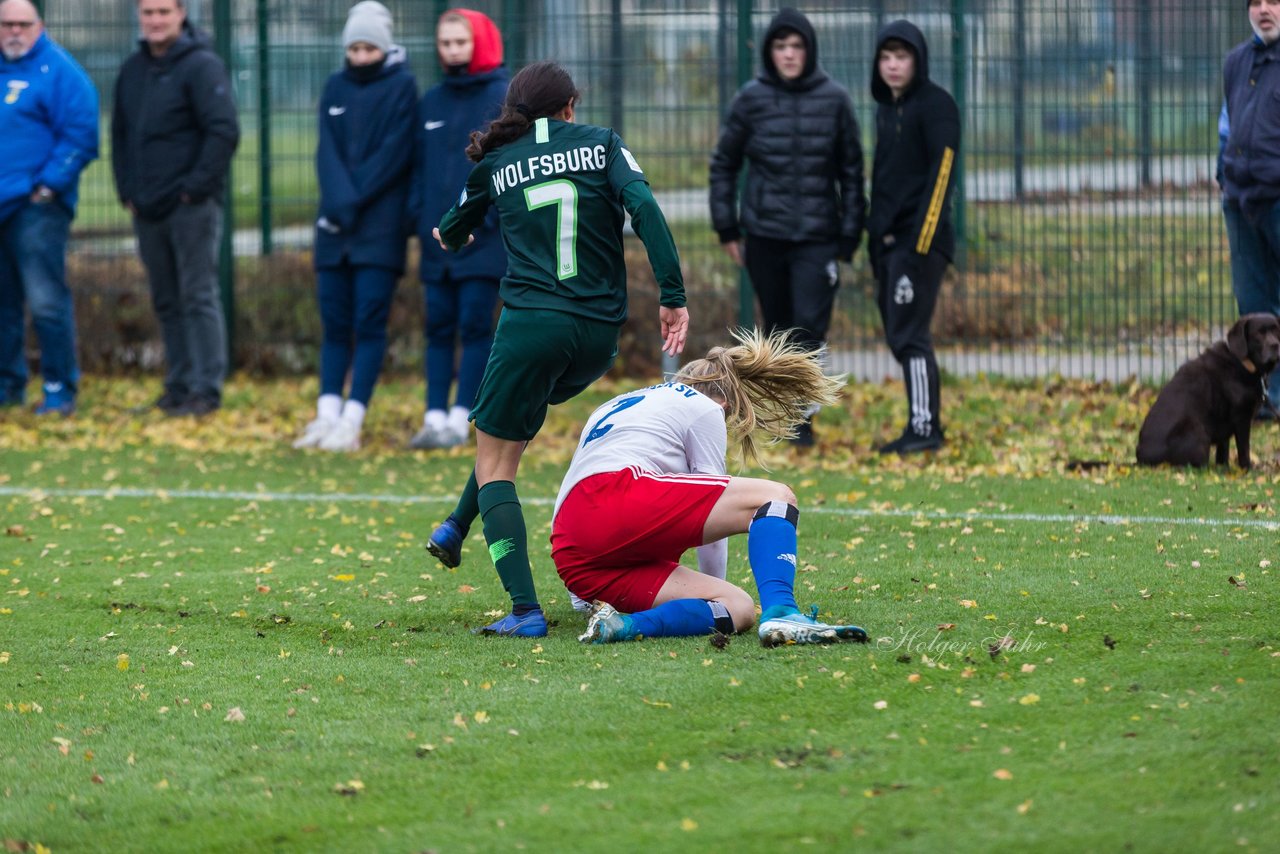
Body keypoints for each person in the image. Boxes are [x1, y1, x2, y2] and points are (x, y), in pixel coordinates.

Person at [425, 60, 690, 638]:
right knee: (513, 426)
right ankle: (455, 525)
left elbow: (451, 228)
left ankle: (524, 611)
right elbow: (644, 208)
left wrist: (456, 231)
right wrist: (672, 295)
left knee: (496, 457)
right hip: (597, 337)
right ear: (570, 106)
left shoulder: (498, 161)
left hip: (532, 327)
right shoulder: (603, 144)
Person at [552, 329, 868, 647]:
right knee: (776, 497)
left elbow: (573, 484)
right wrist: (714, 582)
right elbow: (711, 521)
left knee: (737, 608)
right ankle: (783, 609)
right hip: (619, 494)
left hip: (575, 553)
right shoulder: (705, 406)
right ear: (726, 402)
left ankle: (623, 625)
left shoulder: (615, 404)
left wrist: (580, 595)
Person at [709, 7, 865, 447]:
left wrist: (849, 235)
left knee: (809, 330)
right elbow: (724, 164)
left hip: (818, 238)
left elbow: (852, 171)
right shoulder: (750, 99)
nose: (789, 54)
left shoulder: (834, 99)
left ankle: (804, 421)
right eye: (781, 46)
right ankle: (779, 416)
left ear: (809, 50)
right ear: (769, 51)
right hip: (764, 235)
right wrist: (727, 228)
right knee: (776, 331)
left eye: (797, 46)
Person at [292, 1, 417, 452]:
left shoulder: (403, 88)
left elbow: (393, 156)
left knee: (368, 323)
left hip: (377, 232)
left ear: (382, 47)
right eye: (355, 48)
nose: (361, 56)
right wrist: (340, 207)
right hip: (334, 231)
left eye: (369, 48)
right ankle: (326, 415)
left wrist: (348, 202)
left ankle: (353, 419)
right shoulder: (334, 86)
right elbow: (326, 152)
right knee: (335, 324)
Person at [112, 0, 239, 418]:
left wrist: (193, 189)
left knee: (197, 295)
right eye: (148, 12)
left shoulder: (202, 66)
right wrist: (126, 189)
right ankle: (179, 385)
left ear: (182, 14)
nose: (155, 20)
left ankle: (206, 389)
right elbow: (120, 134)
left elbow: (223, 131)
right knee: (166, 299)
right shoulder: (133, 69)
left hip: (190, 207)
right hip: (146, 207)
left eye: (163, 12)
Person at [407, 9, 508, 450]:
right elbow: (418, 169)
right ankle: (433, 417)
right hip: (436, 240)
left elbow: (502, 170)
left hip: (482, 241)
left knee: (473, 325)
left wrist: (473, 224)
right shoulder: (431, 100)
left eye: (460, 43)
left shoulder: (501, 96)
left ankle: (459, 417)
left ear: (479, 43)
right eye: (444, 43)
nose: (451, 51)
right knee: (437, 326)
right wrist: (423, 219)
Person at [0, 0, 98, 415]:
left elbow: (81, 135)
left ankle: (59, 389)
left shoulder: (59, 70)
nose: (15, 32)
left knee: (44, 300)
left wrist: (48, 186)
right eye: (6, 24)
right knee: (2, 304)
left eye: (23, 24)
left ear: (40, 26)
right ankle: (8, 388)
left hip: (35, 208)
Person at [867, 20, 960, 456]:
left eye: (901, 57)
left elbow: (941, 176)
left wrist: (918, 248)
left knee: (910, 336)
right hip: (888, 247)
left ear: (917, 59)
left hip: (918, 246)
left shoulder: (937, 105)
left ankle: (925, 427)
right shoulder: (888, 108)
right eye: (886, 57)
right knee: (899, 335)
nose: (893, 65)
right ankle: (921, 424)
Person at [1221, 0, 1280, 418]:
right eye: (1256, 2)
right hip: (1240, 202)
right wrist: (1221, 174)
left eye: (1274, 1)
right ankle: (1264, 398)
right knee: (1253, 303)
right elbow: (1228, 123)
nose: (1265, 10)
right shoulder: (1236, 62)